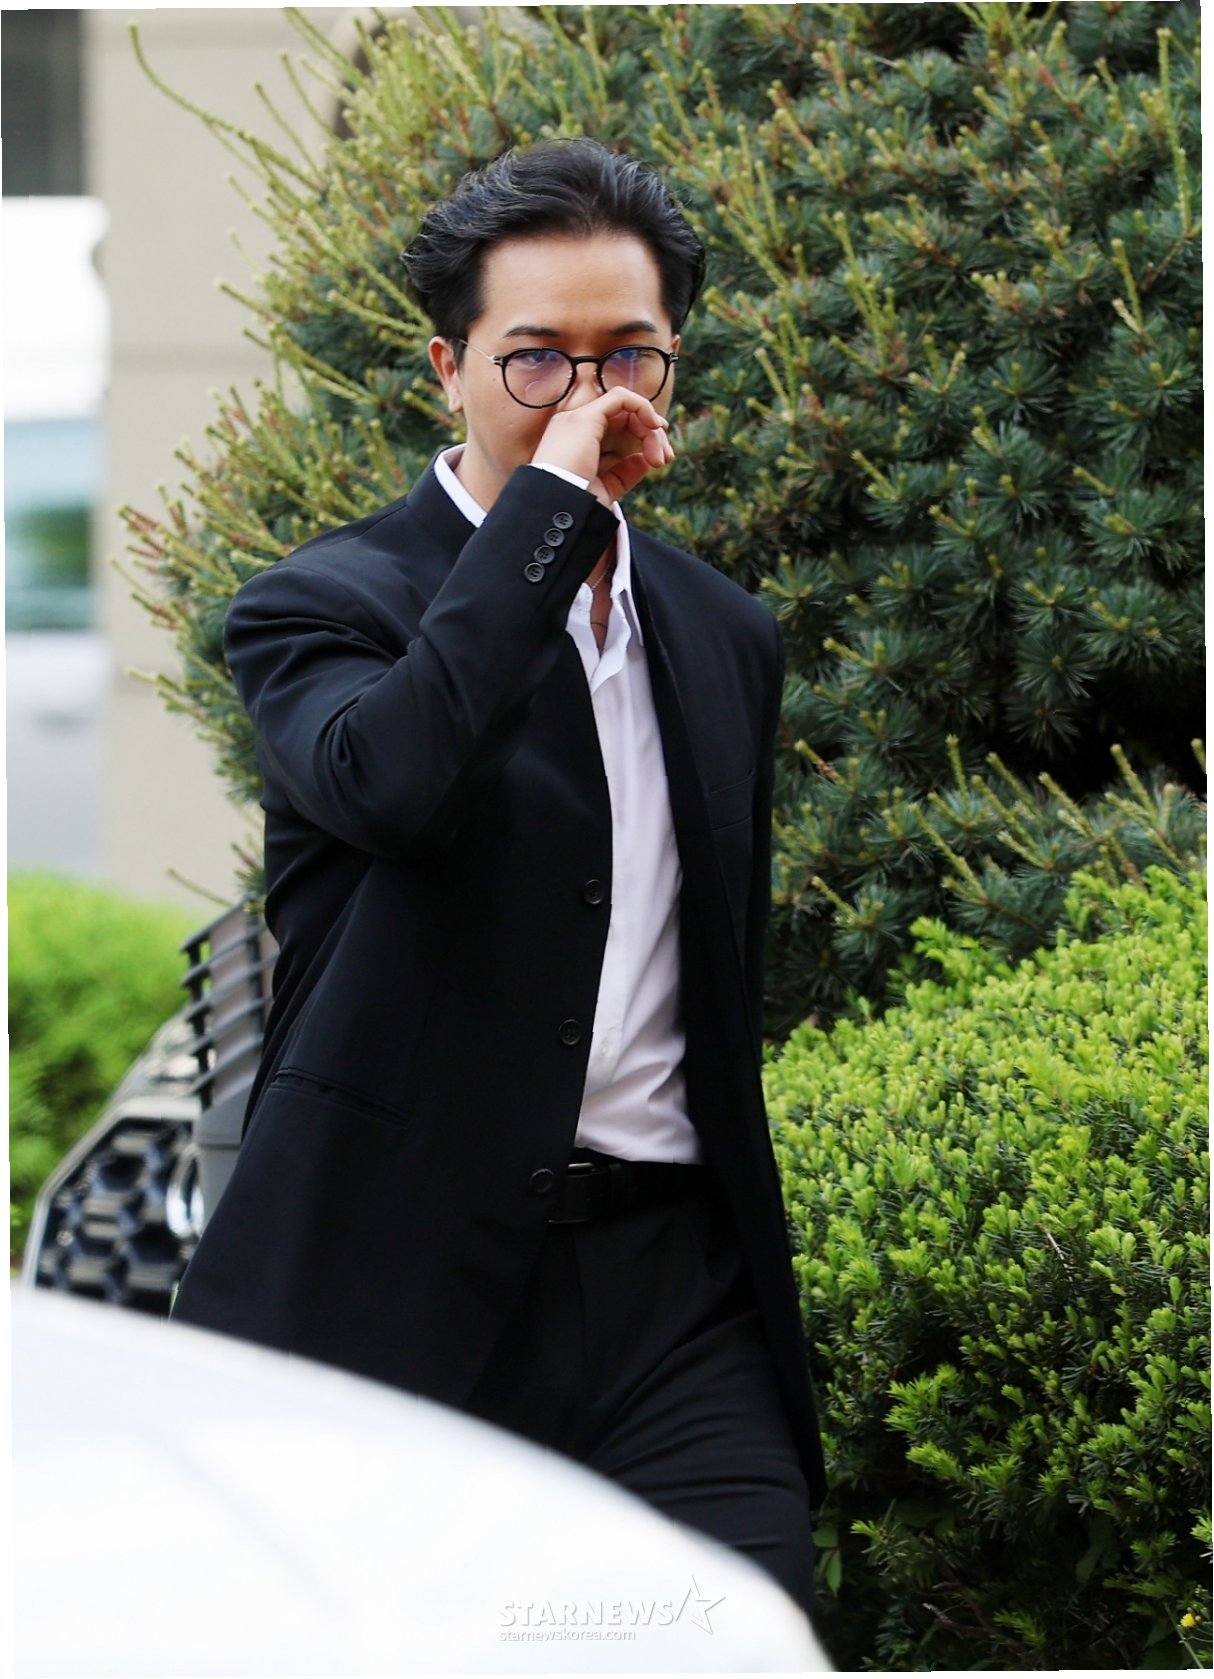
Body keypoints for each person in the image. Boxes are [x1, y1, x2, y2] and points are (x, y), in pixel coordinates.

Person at [170, 138, 826, 1615]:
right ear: (448, 369)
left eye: (629, 357)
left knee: (740, 1633)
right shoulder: (318, 606)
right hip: (396, 1295)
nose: (589, 399)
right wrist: (554, 511)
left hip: (675, 1302)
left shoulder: (721, 634)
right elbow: (391, 785)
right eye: (535, 360)